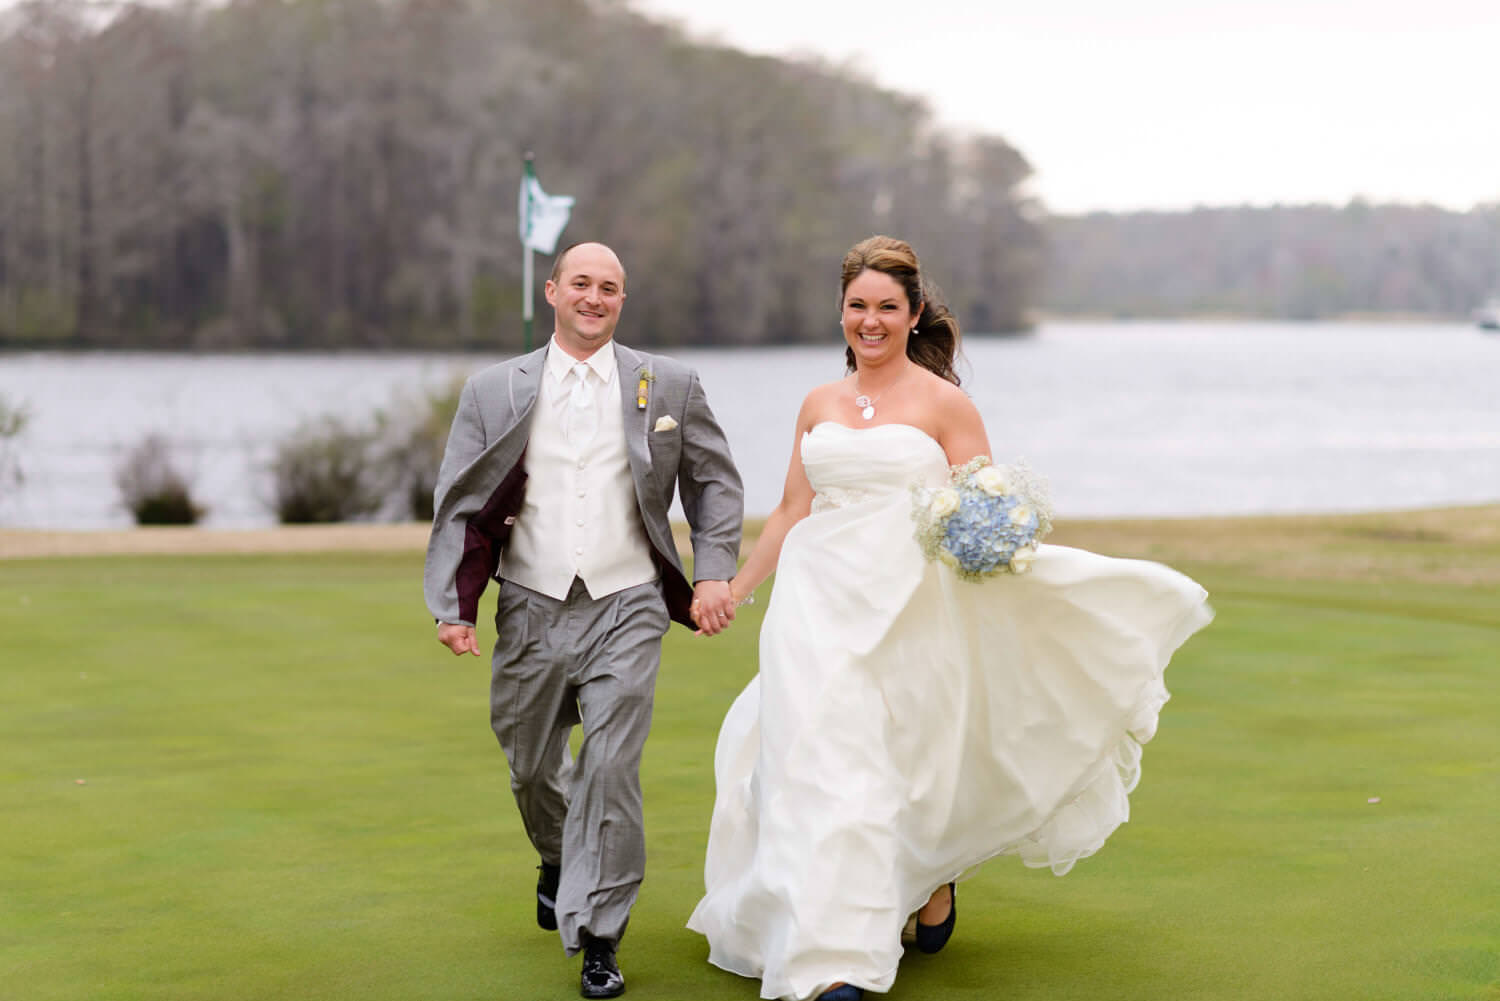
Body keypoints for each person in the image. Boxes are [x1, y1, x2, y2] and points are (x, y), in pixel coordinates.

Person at [686, 236, 1213, 1001]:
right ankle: (830, 958)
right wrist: (734, 586)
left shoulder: (945, 404)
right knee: (818, 767)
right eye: (858, 306)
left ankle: (928, 877)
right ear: (842, 311)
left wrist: (1000, 542)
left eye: (887, 308)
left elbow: (983, 508)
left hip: (908, 605)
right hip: (814, 604)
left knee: (891, 763)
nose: (871, 321)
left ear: (914, 313)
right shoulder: (818, 404)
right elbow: (793, 509)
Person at [424, 241, 744, 999]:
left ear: (622, 300)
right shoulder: (493, 390)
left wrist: (714, 570)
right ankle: (557, 853)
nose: (594, 297)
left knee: (609, 766)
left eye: (609, 287)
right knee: (532, 765)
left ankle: (600, 934)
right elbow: (460, 501)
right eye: (581, 284)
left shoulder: (669, 383)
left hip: (628, 601)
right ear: (553, 292)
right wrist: (453, 604)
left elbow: (714, 482)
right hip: (530, 604)